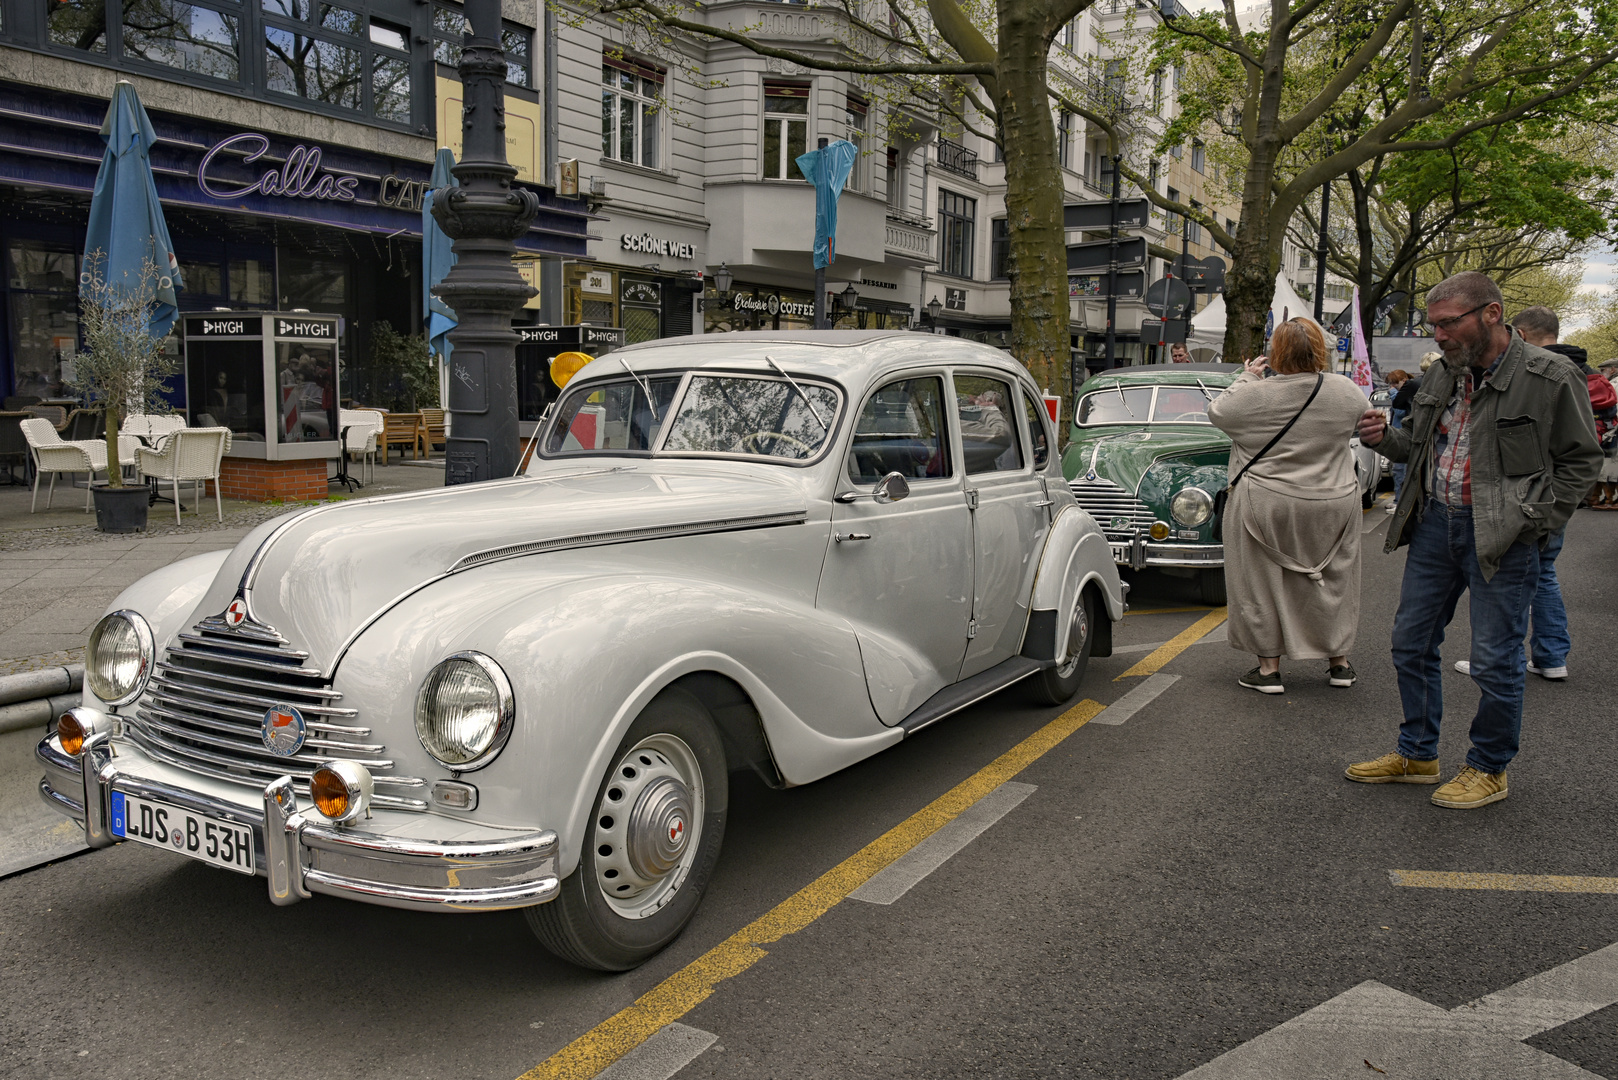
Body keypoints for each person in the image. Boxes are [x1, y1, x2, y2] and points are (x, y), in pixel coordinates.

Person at [1348, 272, 1603, 809]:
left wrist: (1536, 521)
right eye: (1433, 325)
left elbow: (1582, 460)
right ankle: (1418, 754)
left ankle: (1489, 767)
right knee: (1410, 643)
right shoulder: (1443, 375)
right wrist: (1383, 439)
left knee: (1494, 658)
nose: (1436, 335)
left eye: (1446, 324)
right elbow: (1419, 450)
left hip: (1505, 535)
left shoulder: (1550, 375)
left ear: (1490, 314)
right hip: (1437, 524)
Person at [1207, 317, 1371, 695]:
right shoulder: (1346, 391)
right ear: (1321, 349)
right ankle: (1339, 664)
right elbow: (1360, 418)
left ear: (1276, 352)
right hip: (1335, 500)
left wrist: (1248, 376)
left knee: (1260, 582)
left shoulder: (1259, 394)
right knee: (1333, 580)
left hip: (1269, 501)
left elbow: (1219, 412)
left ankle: (1268, 670)